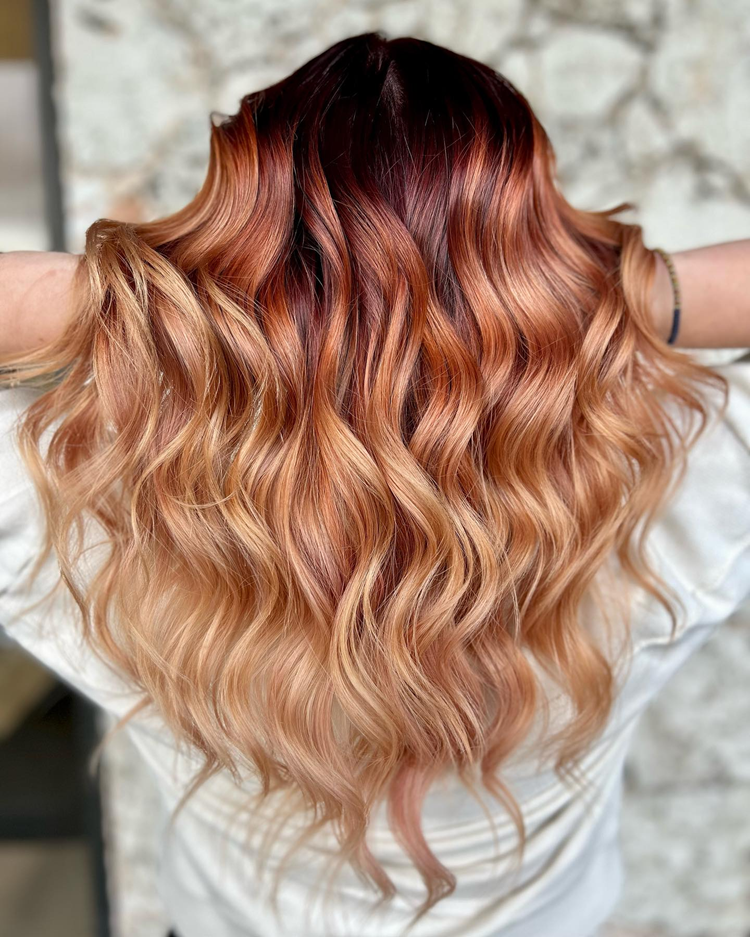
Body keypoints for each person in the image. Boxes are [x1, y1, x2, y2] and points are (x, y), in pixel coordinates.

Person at [0, 32, 748, 937]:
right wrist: (621, 297)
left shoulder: (68, 504)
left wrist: (143, 307)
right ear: (543, 255)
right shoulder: (688, 482)